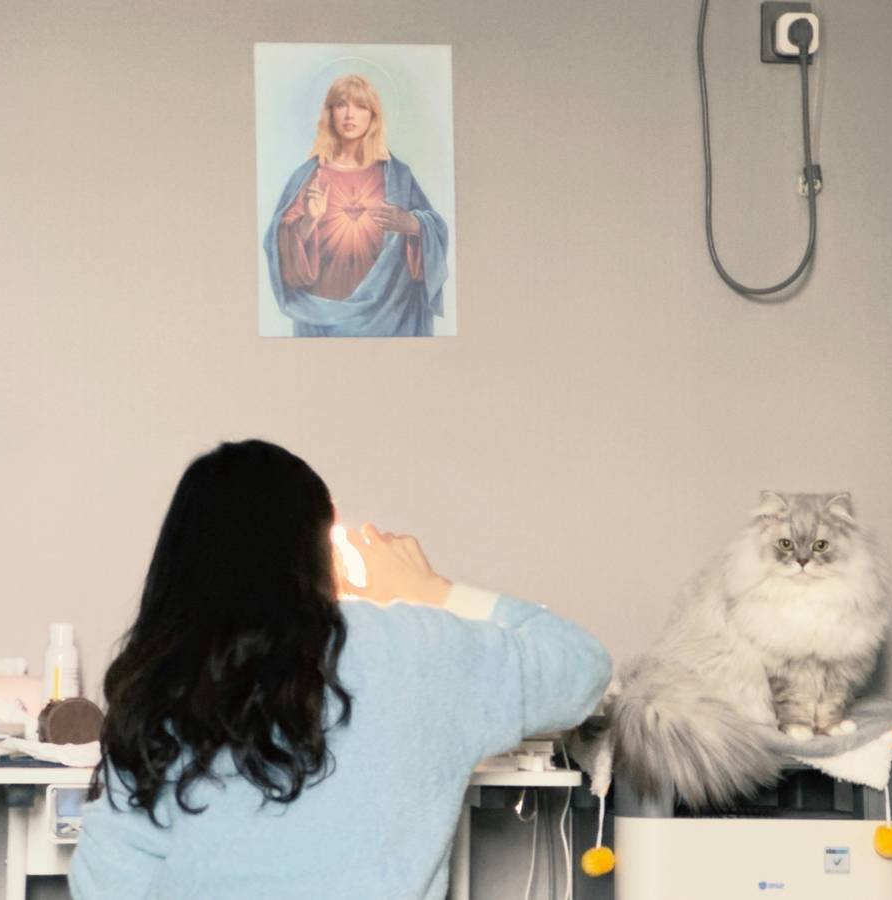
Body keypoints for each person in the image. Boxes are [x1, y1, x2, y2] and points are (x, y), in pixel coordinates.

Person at [69, 440, 611, 899]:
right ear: (315, 545)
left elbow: (107, 880)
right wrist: (433, 591)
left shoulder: (164, 678)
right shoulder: (417, 647)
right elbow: (582, 666)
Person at [263, 74, 449, 337]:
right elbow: (279, 247)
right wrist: (308, 221)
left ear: (373, 116)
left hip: (390, 314)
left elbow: (436, 230)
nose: (349, 114)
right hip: (322, 316)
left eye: (360, 106)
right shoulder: (309, 176)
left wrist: (413, 224)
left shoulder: (398, 175)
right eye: (341, 104)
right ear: (329, 113)